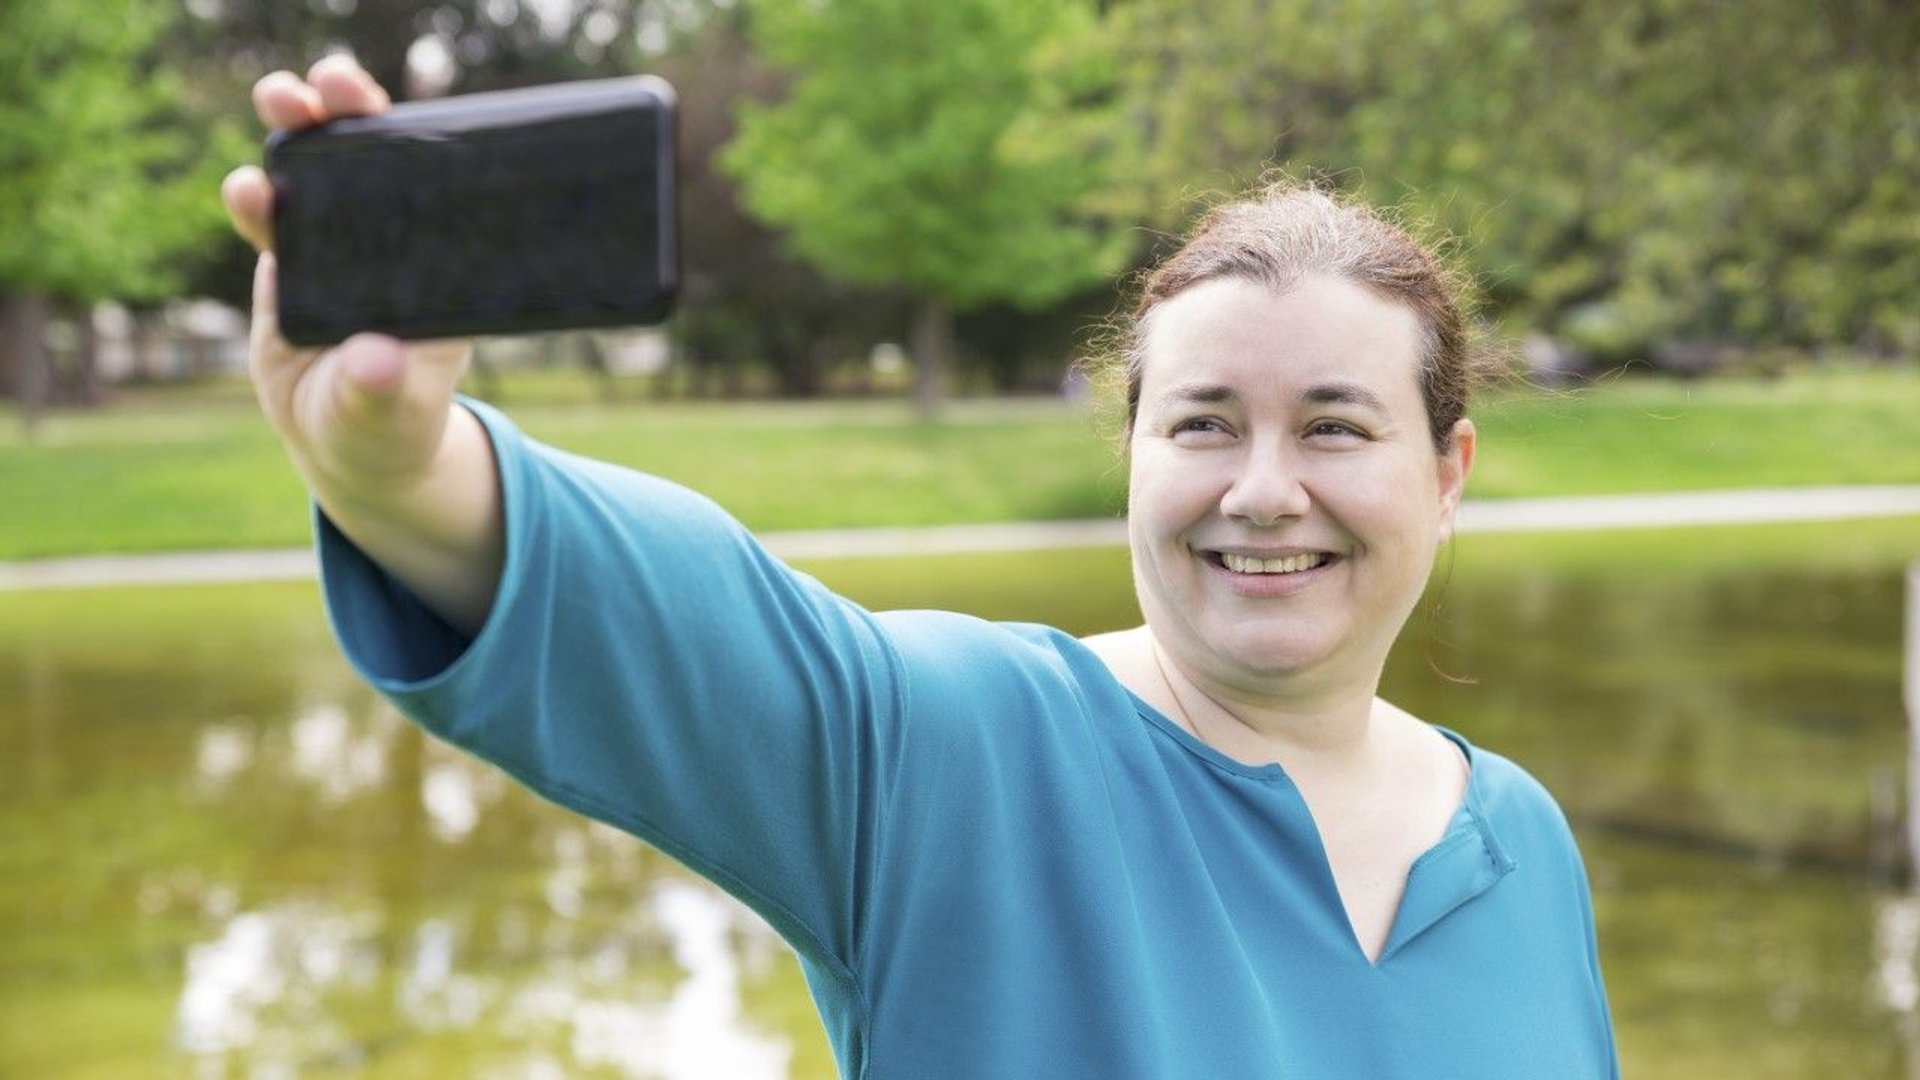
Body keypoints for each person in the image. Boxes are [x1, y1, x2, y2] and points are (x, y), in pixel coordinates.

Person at [222, 56, 1618, 1080]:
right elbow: (671, 619)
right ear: (1133, 454)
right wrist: (398, 469)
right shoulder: (960, 748)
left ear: (1446, 476)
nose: (1262, 490)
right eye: (1202, 424)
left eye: (1333, 425)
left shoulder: (1520, 848)